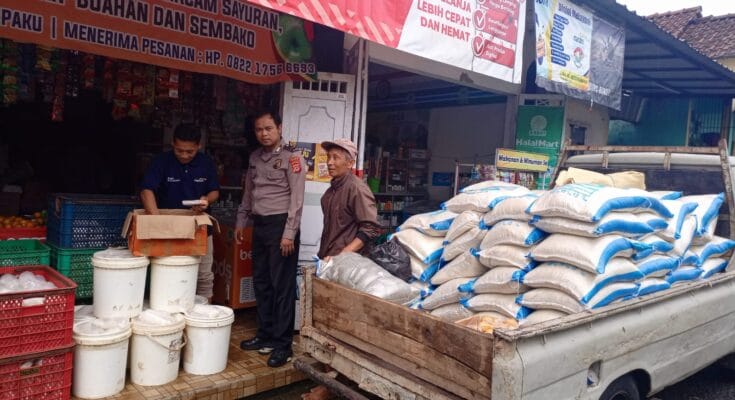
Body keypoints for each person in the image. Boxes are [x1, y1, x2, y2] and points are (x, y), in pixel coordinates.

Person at [301, 138, 380, 400]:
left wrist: (343, 256)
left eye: (336, 157)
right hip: (329, 264)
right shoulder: (333, 189)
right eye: (329, 157)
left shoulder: (356, 188)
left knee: (339, 328)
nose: (330, 162)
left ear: (350, 161)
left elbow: (371, 228)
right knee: (325, 326)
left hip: (346, 268)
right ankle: (330, 382)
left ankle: (331, 386)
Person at [236, 111, 306, 368]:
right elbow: (249, 192)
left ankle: (282, 344)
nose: (263, 133)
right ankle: (264, 335)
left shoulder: (293, 158)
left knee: (282, 287)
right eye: (259, 129)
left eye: (268, 128)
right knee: (262, 282)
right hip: (261, 226)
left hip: (281, 228)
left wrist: (289, 233)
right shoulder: (255, 158)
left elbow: (297, 200)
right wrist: (242, 221)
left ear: (279, 128)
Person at [140, 123, 220, 300]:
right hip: (167, 228)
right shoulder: (161, 162)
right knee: (167, 273)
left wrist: (206, 200)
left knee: (204, 276)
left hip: (199, 228)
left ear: (199, 146)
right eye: (179, 150)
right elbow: (147, 190)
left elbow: (215, 191)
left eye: (190, 151)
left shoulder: (206, 163)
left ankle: (204, 313)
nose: (184, 155)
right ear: (172, 144)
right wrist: (157, 221)